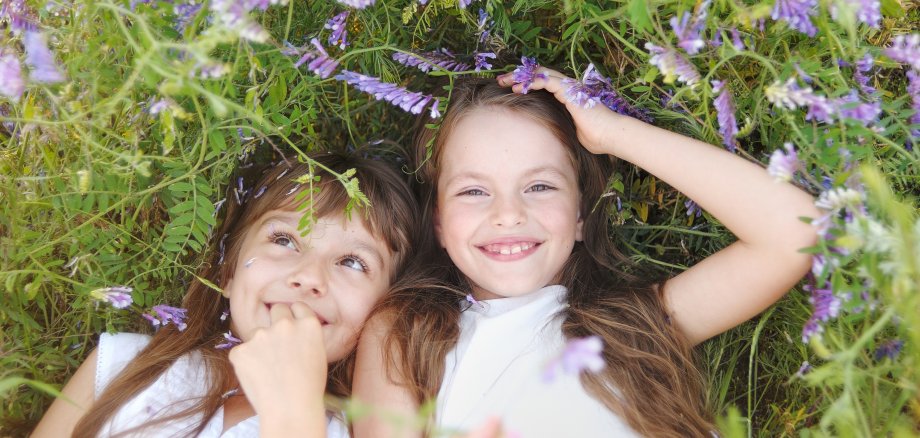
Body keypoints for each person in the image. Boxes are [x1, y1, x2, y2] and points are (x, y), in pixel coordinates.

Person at [352, 71, 821, 437]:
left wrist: (612, 131)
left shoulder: (634, 327)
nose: (508, 214)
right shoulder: (406, 330)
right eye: (474, 191)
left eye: (540, 186)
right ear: (437, 220)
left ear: (580, 214)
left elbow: (793, 233)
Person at [32, 150, 420, 437]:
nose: (307, 276)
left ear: (385, 308)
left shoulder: (362, 429)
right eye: (284, 239)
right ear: (230, 271)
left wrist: (295, 411)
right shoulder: (123, 364)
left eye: (353, 262)